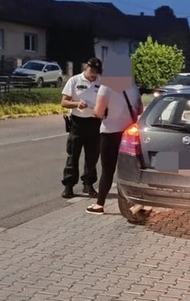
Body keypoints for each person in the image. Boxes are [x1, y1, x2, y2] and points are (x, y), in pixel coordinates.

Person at [86, 79, 143, 214]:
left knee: (107, 170)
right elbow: (139, 109)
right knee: (130, 169)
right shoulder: (133, 85)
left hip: (110, 132)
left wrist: (101, 111)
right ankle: (135, 202)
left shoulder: (106, 86)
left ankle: (100, 204)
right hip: (130, 132)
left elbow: (98, 112)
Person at [60, 57, 103, 199]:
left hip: (94, 123)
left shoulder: (101, 83)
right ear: (87, 67)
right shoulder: (74, 80)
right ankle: (69, 186)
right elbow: (64, 102)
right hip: (77, 123)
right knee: (73, 156)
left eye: (96, 72)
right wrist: (77, 104)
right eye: (92, 70)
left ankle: (88, 185)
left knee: (92, 157)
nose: (93, 74)